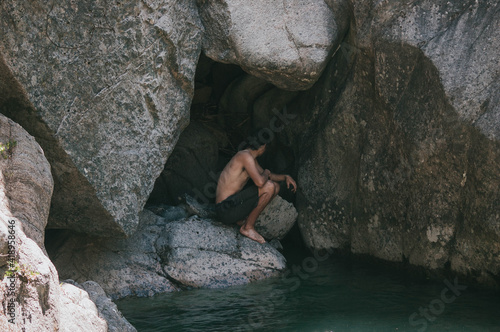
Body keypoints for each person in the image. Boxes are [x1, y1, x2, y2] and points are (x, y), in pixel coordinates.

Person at [215, 136, 297, 244]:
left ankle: (241, 220)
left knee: (275, 186)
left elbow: (268, 175)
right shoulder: (245, 156)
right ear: (262, 146)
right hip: (224, 209)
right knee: (269, 187)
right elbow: (260, 182)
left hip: (231, 206)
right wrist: (266, 173)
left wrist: (285, 177)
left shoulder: (249, 157)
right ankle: (248, 227)